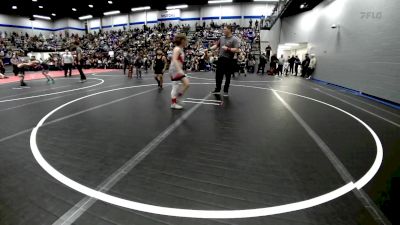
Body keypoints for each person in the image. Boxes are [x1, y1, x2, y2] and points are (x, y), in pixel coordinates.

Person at [209, 25, 240, 97]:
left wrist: (228, 49)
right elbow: (216, 46)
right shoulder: (221, 38)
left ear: (229, 30)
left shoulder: (234, 39)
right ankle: (217, 89)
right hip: (221, 59)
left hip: (229, 60)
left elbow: (237, 50)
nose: (223, 30)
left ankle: (226, 91)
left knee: (228, 76)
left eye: (225, 29)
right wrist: (209, 49)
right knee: (218, 75)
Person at [170, 34, 190, 110]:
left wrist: (180, 69)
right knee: (175, 86)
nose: (187, 42)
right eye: (186, 40)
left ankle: (177, 98)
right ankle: (173, 103)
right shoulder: (177, 49)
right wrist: (179, 70)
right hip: (175, 70)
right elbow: (174, 59)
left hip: (177, 70)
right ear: (182, 41)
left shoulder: (180, 49)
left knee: (186, 84)